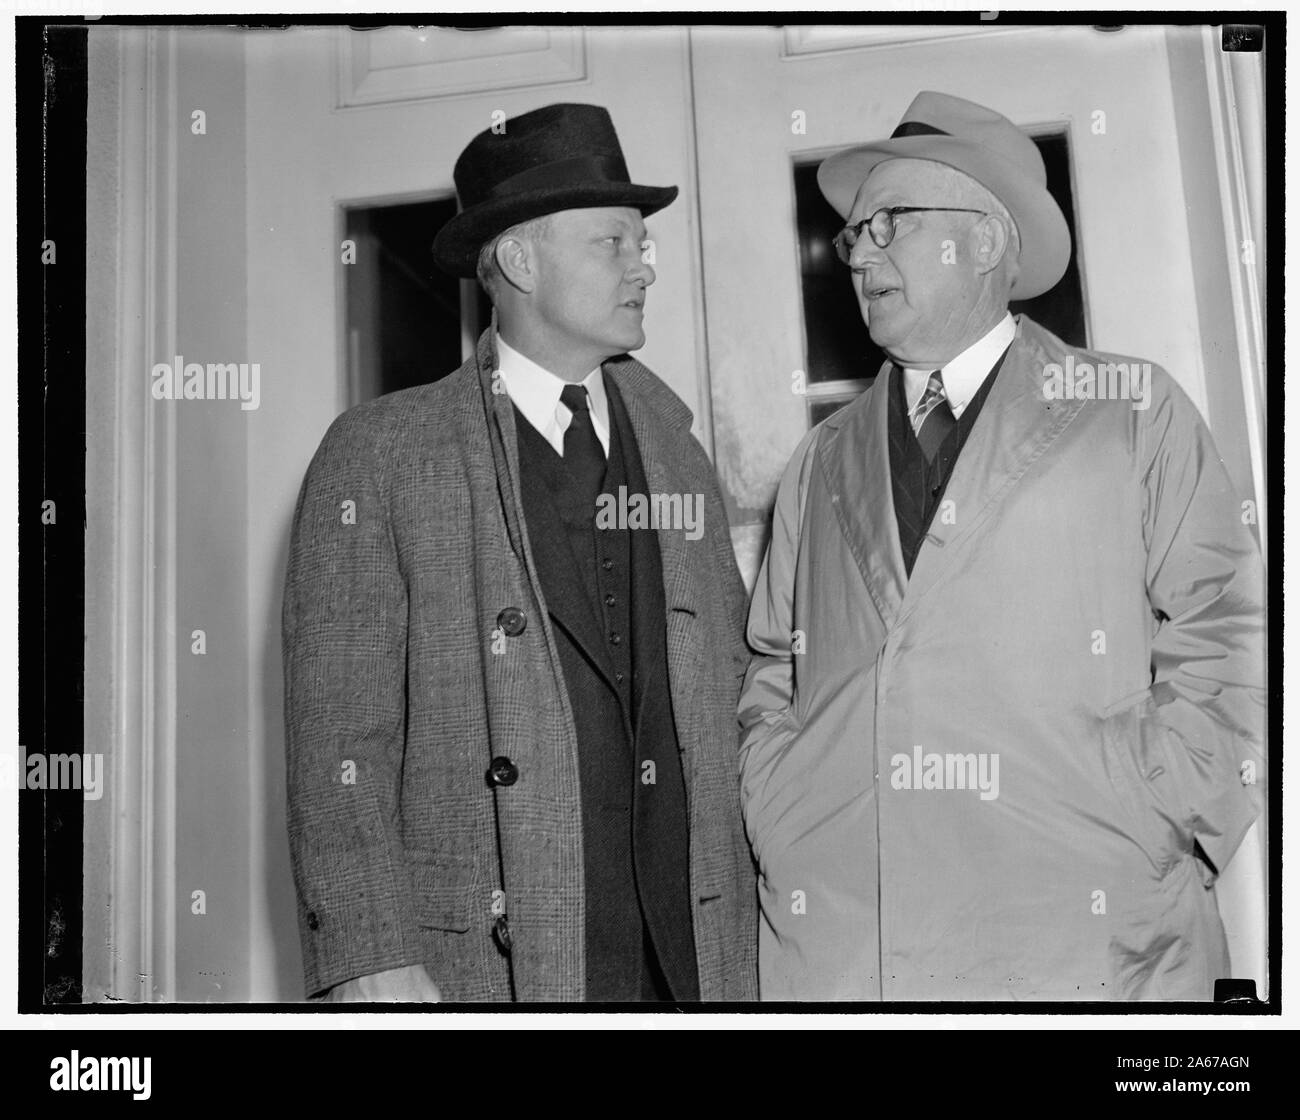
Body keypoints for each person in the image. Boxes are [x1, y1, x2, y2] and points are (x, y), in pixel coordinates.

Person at [738, 91, 1265, 1001]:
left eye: (888, 223)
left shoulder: (1130, 410)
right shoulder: (821, 460)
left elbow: (1233, 630)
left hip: (1080, 939)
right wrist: (780, 804)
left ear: (983, 240)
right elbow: (772, 672)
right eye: (855, 233)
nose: (856, 251)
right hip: (856, 950)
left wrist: (1156, 807)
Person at [283, 103, 756, 1002]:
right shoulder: (383, 454)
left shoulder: (676, 443)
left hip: (694, 959)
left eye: (642, 243)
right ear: (517, 260)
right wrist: (367, 954)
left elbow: (729, 688)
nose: (643, 266)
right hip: (495, 969)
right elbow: (341, 740)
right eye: (612, 243)